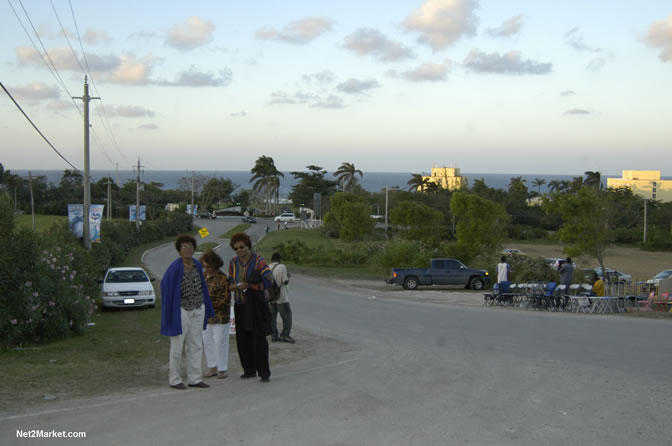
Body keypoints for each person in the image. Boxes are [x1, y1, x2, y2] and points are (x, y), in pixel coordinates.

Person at [160, 234, 215, 390]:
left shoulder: (197, 265)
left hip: (198, 309)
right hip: (182, 310)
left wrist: (206, 307)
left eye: (190, 246)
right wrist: (172, 307)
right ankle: (175, 379)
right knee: (177, 346)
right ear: (179, 251)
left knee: (196, 344)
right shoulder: (174, 268)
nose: (187, 249)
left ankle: (195, 378)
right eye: (184, 247)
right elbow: (165, 287)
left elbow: (203, 288)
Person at [228, 232, 273, 383]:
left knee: (258, 339)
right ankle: (248, 370)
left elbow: (269, 281)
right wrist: (233, 287)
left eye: (242, 247)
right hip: (240, 305)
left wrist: (251, 286)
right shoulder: (233, 263)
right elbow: (229, 282)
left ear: (248, 245)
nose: (240, 250)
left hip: (255, 306)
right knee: (242, 339)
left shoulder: (259, 261)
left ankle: (264, 372)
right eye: (236, 248)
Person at [200, 250, 231, 379]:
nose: (206, 269)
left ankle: (222, 368)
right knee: (207, 342)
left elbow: (225, 298)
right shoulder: (202, 276)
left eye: (209, 267)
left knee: (220, 342)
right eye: (204, 266)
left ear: (215, 265)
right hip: (204, 316)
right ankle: (212, 366)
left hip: (219, 316)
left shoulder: (223, 279)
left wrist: (211, 308)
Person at [269, 253, 294, 343]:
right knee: (287, 316)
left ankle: (274, 335)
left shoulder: (267, 267)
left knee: (272, 317)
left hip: (271, 297)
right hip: (281, 297)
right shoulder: (282, 267)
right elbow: (285, 282)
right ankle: (285, 335)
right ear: (279, 259)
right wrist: (288, 276)